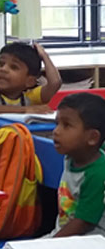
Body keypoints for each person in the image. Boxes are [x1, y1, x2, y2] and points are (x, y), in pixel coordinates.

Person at [47, 92, 105, 237]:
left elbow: (82, 224)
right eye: (57, 124)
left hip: (88, 242)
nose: (56, 131)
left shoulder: (99, 172)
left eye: (66, 125)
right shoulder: (71, 157)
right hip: (64, 236)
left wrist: (49, 244)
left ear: (92, 137)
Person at [0, 42, 62, 117]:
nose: (3, 69)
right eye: (1, 64)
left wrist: (44, 56)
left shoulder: (31, 97)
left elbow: (55, 83)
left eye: (14, 67)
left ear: (30, 81)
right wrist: (25, 110)